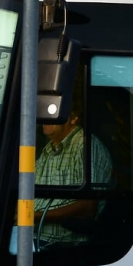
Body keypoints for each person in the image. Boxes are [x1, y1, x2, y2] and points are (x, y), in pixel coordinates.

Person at [34, 106, 113, 247]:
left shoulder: (85, 145)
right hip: (35, 237)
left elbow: (88, 206)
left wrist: (37, 216)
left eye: (52, 110)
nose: (45, 117)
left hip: (65, 244)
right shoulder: (47, 150)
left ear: (74, 117)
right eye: (43, 111)